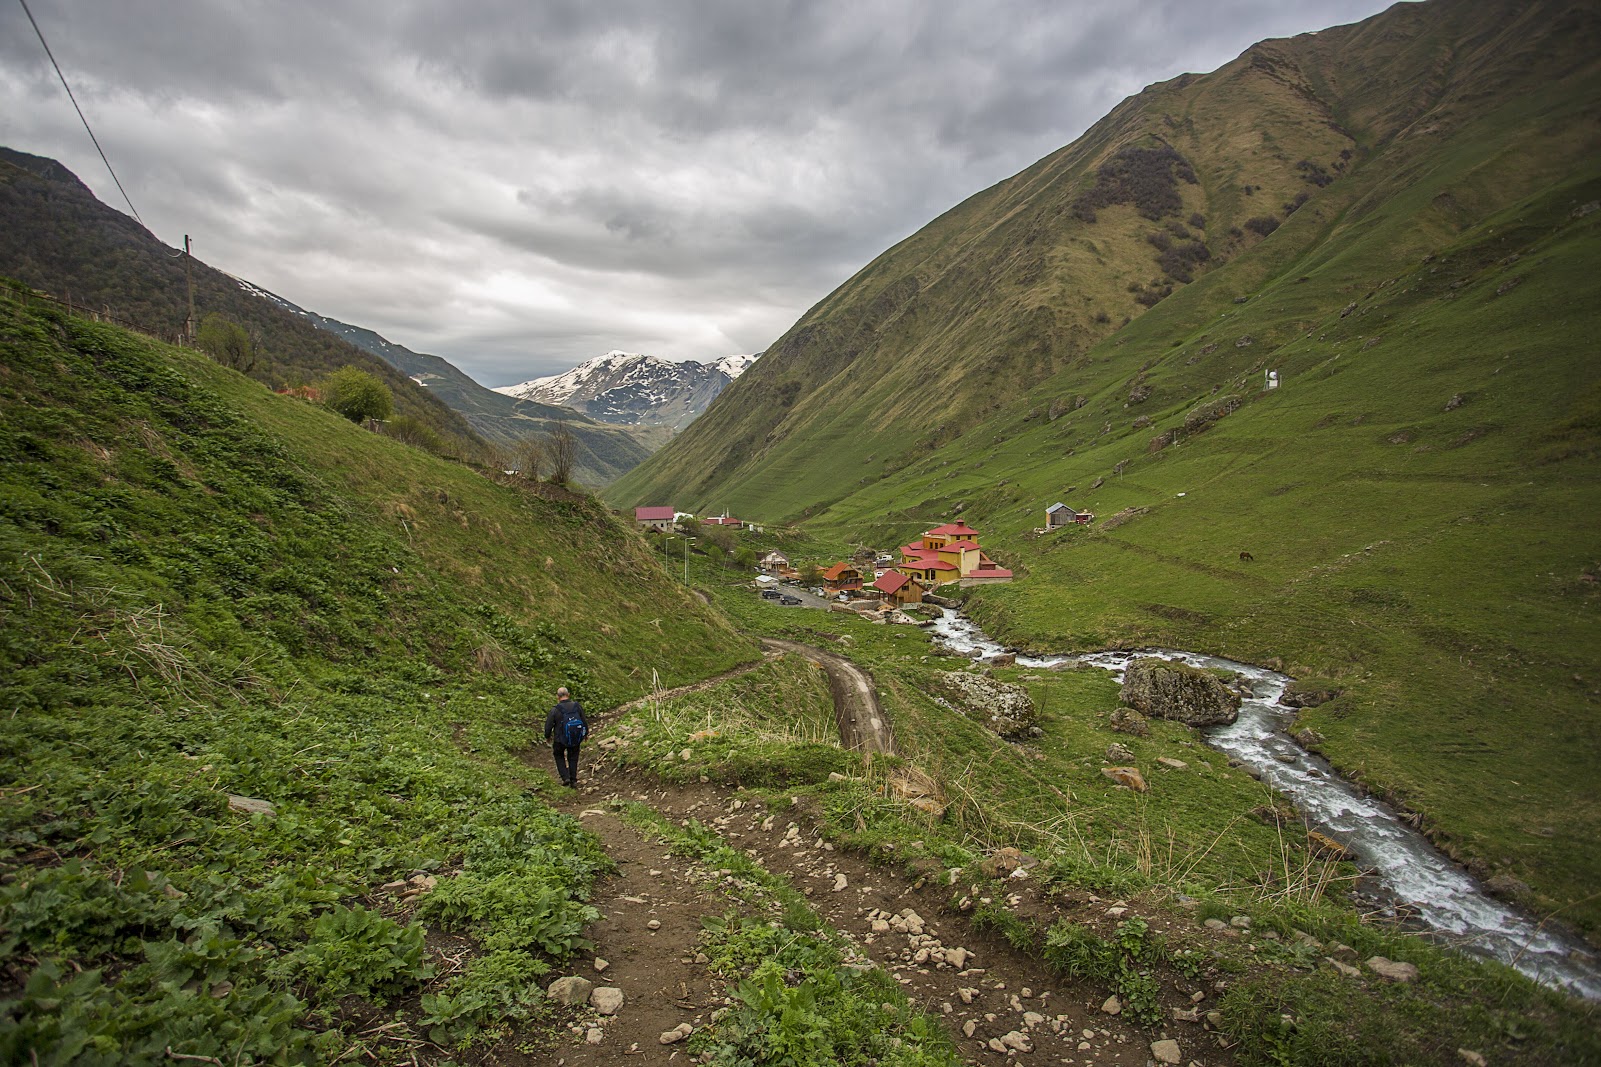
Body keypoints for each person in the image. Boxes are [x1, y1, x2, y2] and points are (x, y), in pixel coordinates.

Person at [543, 685, 588, 788]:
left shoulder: (555, 710)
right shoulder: (577, 706)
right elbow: (583, 720)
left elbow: (549, 725)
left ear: (557, 697)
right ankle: (573, 780)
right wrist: (585, 733)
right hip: (575, 737)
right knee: (573, 757)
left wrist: (547, 736)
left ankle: (565, 777)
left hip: (560, 739)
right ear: (568, 695)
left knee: (558, 755)